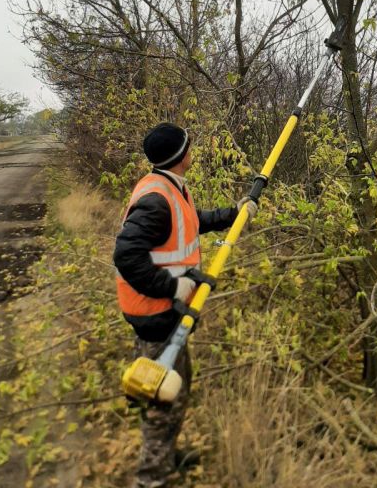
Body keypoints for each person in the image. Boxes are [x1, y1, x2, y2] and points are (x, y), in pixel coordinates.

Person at [114, 122, 257, 488]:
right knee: (163, 401)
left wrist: (233, 213)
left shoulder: (168, 188)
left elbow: (192, 224)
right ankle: (152, 478)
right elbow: (126, 255)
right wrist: (172, 286)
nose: (193, 151)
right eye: (189, 147)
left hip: (166, 314)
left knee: (176, 390)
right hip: (156, 315)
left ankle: (165, 459)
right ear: (182, 156)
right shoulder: (157, 200)